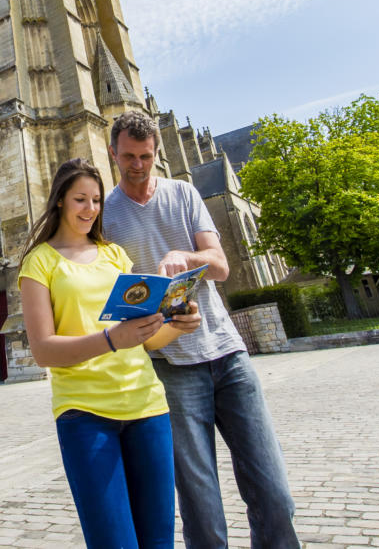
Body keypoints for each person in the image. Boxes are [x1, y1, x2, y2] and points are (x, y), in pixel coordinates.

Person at [104, 109, 301, 549]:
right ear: (112, 152)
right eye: (129, 156)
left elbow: (222, 266)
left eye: (147, 156)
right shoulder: (105, 217)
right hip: (170, 366)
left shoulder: (184, 193)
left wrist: (187, 258)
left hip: (227, 355)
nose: (138, 165)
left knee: (274, 493)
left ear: (158, 152)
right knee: (201, 505)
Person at [18, 157, 201, 549]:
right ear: (61, 201)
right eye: (81, 199)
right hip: (84, 414)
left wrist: (175, 324)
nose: (90, 209)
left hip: (148, 407)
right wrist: (111, 340)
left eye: (97, 200)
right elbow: (43, 350)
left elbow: (144, 340)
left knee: (159, 542)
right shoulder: (39, 262)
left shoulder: (116, 255)